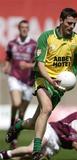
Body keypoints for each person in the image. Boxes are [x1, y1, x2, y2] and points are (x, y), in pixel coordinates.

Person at [6, 8, 77, 160]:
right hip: (43, 78)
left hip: (59, 87)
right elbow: (39, 64)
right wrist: (50, 79)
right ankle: (37, 150)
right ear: (60, 21)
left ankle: (17, 126)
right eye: (68, 23)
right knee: (46, 109)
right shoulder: (46, 37)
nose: (71, 27)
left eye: (74, 24)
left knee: (35, 122)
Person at [0, 110, 77, 160]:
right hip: (51, 131)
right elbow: (75, 144)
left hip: (57, 144)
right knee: (31, 149)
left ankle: (11, 158)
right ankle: (4, 154)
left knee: (35, 157)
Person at [2, 20, 36, 148]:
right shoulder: (12, 44)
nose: (24, 29)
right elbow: (8, 57)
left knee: (22, 114)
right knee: (16, 103)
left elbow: (39, 64)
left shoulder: (34, 45)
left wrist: (28, 65)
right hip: (15, 77)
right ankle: (12, 122)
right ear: (18, 28)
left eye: (26, 27)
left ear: (28, 29)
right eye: (22, 27)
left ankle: (14, 138)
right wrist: (6, 66)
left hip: (28, 81)